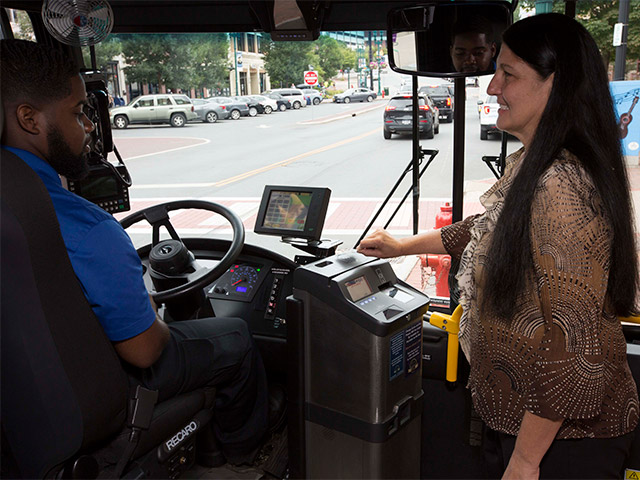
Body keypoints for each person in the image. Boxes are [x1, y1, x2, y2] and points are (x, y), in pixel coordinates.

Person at [359, 13, 638, 479]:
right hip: (524, 424)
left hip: (563, 444)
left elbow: (573, 344)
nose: (492, 88)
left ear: (557, 84)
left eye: (508, 74)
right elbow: (486, 229)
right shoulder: (534, 162)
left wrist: (526, 461)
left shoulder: (560, 185)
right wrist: (401, 246)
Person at [0, 39, 270, 466]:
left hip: (26, 403)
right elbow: (143, 351)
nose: (89, 127)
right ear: (29, 119)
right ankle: (243, 455)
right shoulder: (86, 226)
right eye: (76, 112)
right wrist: (153, 314)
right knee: (234, 337)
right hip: (101, 393)